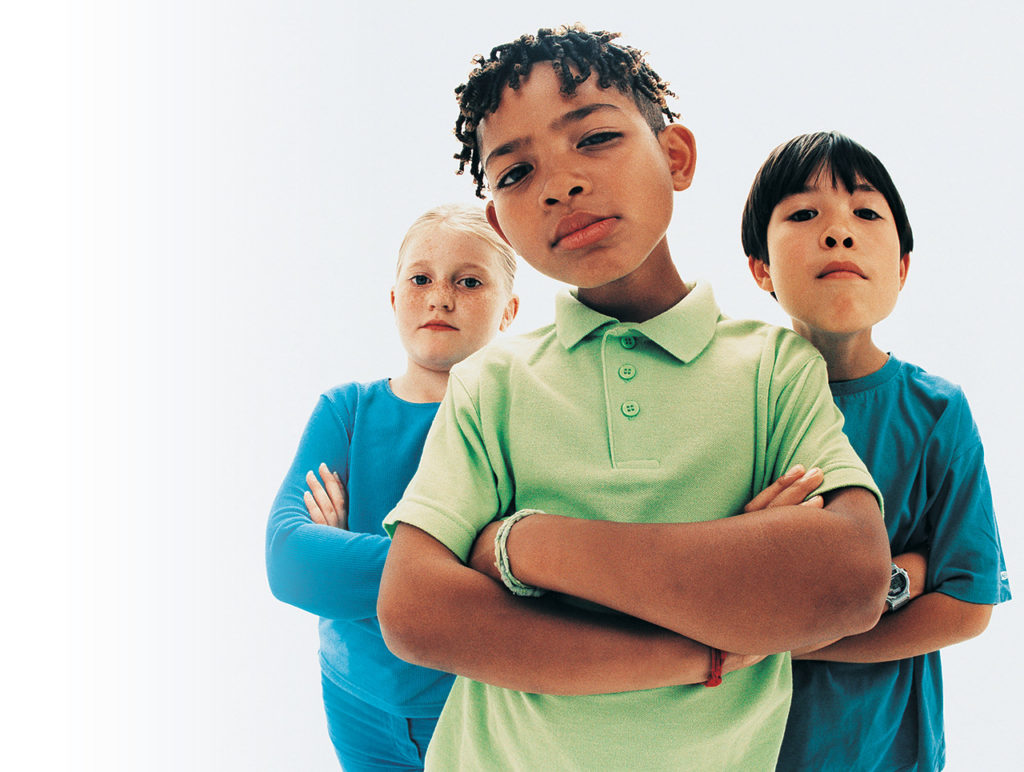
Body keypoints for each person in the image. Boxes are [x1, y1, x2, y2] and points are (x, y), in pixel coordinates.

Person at [377, 26, 892, 770]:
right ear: (500, 223)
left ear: (675, 157)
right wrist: (703, 649)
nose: (559, 182)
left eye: (593, 138)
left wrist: (528, 546)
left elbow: (847, 581)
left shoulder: (774, 365)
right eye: (517, 172)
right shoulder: (492, 382)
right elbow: (416, 612)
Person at [743, 130, 1011, 771]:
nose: (838, 233)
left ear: (902, 267)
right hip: (743, 748)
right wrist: (900, 578)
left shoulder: (938, 411)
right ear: (760, 268)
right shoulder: (731, 401)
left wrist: (798, 640)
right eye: (804, 214)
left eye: (866, 213)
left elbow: (968, 605)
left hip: (886, 753)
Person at [265, 203, 520, 771]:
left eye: (469, 281)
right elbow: (290, 563)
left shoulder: (514, 423)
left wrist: (346, 561)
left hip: (477, 704)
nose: (440, 297)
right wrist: (469, 563)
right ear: (393, 298)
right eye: (421, 278)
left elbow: (544, 583)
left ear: (510, 310)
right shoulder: (346, 410)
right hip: (354, 700)